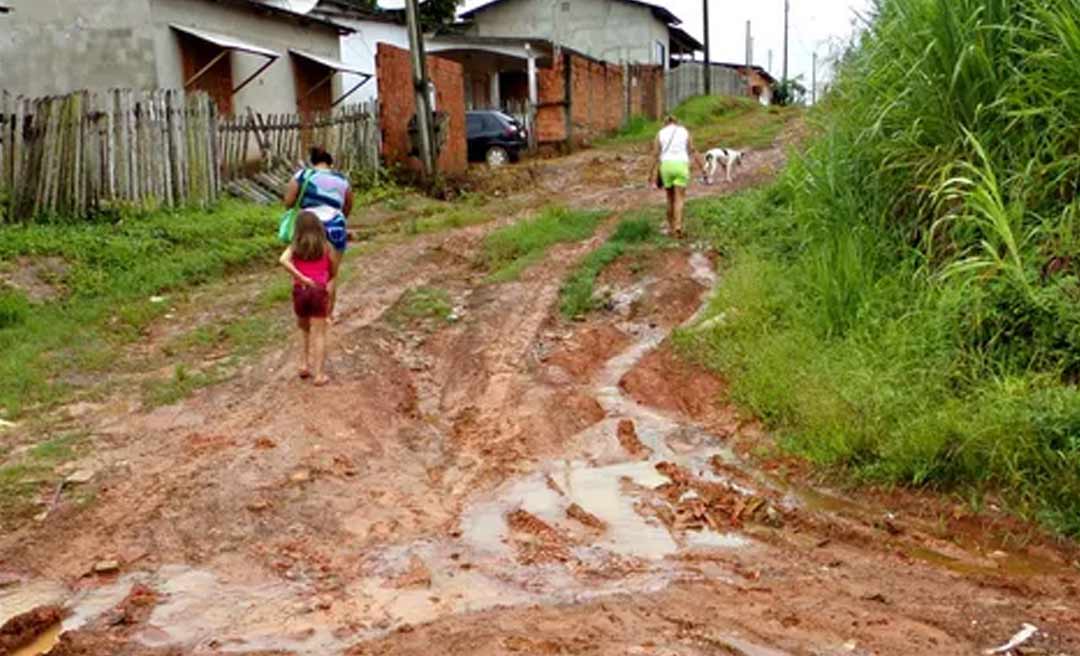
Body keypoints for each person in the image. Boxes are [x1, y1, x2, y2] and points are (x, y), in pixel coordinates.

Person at [282, 146, 353, 322]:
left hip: (308, 228)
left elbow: (289, 202)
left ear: (312, 162)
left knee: (305, 268)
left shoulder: (302, 176)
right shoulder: (342, 180)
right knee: (331, 274)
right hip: (335, 228)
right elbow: (347, 206)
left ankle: (306, 311)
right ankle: (327, 315)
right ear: (330, 162)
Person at [280, 211, 338, 386]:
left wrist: (301, 278)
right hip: (318, 290)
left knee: (303, 330)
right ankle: (319, 375)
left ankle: (304, 365)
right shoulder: (327, 247)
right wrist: (321, 281)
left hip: (300, 291)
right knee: (319, 333)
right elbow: (333, 271)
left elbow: (283, 260)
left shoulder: (295, 247)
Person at [648, 115, 704, 239]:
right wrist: (703, 168)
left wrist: (650, 173)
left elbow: (655, 154)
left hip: (666, 166)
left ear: (665, 123)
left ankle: (670, 227)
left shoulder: (660, 133)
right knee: (679, 199)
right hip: (681, 165)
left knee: (670, 198)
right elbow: (692, 150)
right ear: (677, 122)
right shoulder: (684, 131)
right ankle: (678, 227)